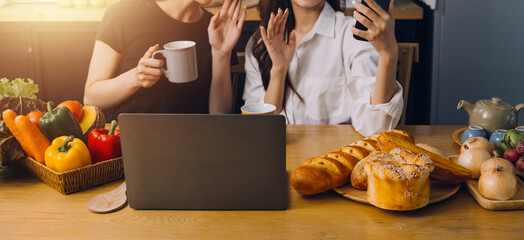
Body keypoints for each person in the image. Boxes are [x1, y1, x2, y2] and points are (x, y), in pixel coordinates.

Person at [243, 0, 403, 136]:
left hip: (336, 161)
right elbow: (259, 129)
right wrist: (278, 69)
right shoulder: (260, 44)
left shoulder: (353, 35)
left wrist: (387, 55)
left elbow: (375, 129)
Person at [84, 0, 246, 120]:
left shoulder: (217, 28)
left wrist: (221, 53)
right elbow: (91, 97)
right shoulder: (123, 13)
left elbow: (220, 115)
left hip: (192, 144)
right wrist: (134, 78)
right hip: (129, 146)